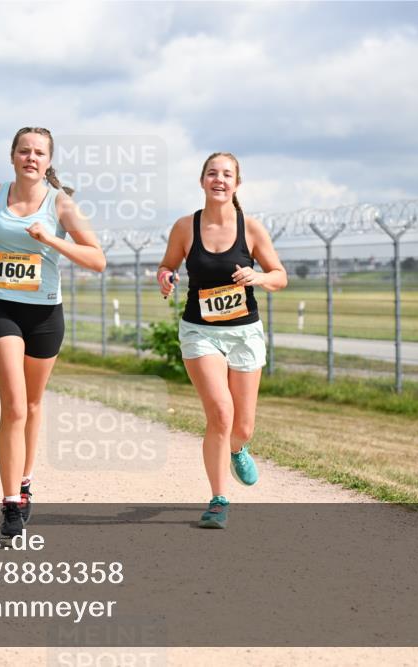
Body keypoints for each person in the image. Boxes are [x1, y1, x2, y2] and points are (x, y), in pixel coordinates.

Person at [0, 127, 106, 538]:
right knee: (15, 406)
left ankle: (25, 482)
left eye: (39, 153)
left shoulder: (62, 205)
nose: (31, 158)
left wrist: (52, 242)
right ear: (12, 156)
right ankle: (9, 504)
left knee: (35, 404)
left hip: (44, 313)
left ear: (48, 160)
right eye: (24, 151)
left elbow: (97, 260)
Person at [156, 152, 287, 529]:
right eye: (212, 173)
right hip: (200, 332)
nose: (219, 179)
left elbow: (280, 275)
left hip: (245, 332)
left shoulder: (251, 228)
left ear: (237, 184)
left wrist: (258, 278)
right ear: (202, 181)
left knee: (242, 425)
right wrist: (165, 277)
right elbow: (167, 265)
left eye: (227, 174)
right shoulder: (185, 227)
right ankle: (218, 499)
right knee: (220, 412)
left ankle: (238, 447)